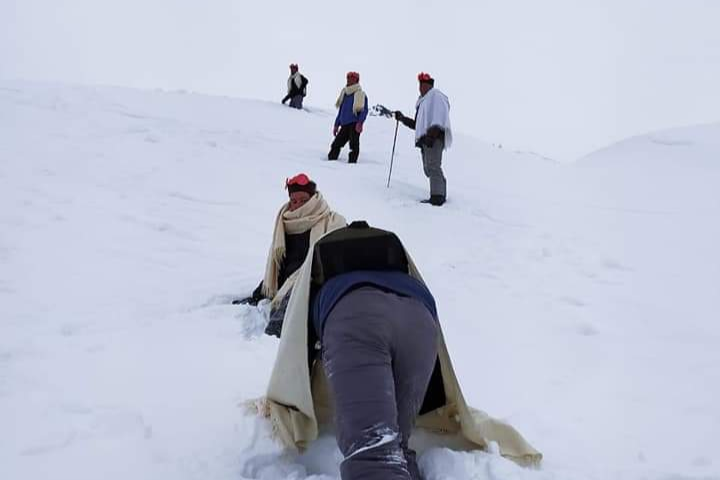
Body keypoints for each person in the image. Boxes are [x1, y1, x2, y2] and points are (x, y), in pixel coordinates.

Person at [250, 222, 542, 480]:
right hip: (421, 322)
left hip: (356, 319)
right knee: (395, 442)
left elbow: (299, 347)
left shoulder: (321, 282)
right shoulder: (395, 270)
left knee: (373, 451)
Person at [234, 173, 346, 337]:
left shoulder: (331, 221)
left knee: (290, 303)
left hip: (312, 281)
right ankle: (260, 296)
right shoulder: (285, 221)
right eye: (294, 201)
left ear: (313, 197)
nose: (298, 205)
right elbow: (278, 262)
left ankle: (273, 336)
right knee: (277, 284)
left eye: (304, 200)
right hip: (288, 278)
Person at [394, 72, 453, 206]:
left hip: (434, 138)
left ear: (430, 85)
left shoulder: (435, 96)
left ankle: (437, 197)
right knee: (428, 169)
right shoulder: (423, 102)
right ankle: (440, 191)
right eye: (420, 84)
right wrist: (402, 118)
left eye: (423, 84)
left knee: (433, 166)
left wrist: (432, 135)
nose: (421, 87)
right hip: (426, 139)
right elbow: (418, 125)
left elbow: (439, 116)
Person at [328, 71, 368, 164]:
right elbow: (341, 111)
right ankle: (330, 161)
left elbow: (364, 110)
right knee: (336, 144)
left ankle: (352, 165)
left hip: (354, 124)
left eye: (352, 78)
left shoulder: (360, 94)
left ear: (356, 80)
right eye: (348, 78)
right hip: (344, 124)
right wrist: (336, 124)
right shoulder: (345, 94)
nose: (349, 80)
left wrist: (360, 123)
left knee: (353, 145)